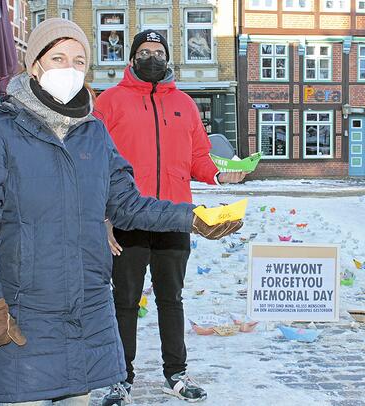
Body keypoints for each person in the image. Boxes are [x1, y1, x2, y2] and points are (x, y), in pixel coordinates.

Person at [0, 19, 242, 406]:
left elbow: (126, 203)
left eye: (78, 60)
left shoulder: (93, 133)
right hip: (26, 311)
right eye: (57, 57)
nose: (69, 68)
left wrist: (192, 218)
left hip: (88, 310)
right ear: (34, 64)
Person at [95, 29, 246, 404]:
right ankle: (120, 377)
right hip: (127, 219)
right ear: (131, 59)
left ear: (168, 59)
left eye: (158, 51)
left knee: (171, 298)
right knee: (124, 301)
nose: (152, 57)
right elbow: (93, 165)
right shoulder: (109, 103)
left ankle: (175, 372)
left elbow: (198, 156)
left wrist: (218, 173)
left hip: (176, 218)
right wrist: (103, 218)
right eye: (144, 51)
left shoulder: (185, 104)